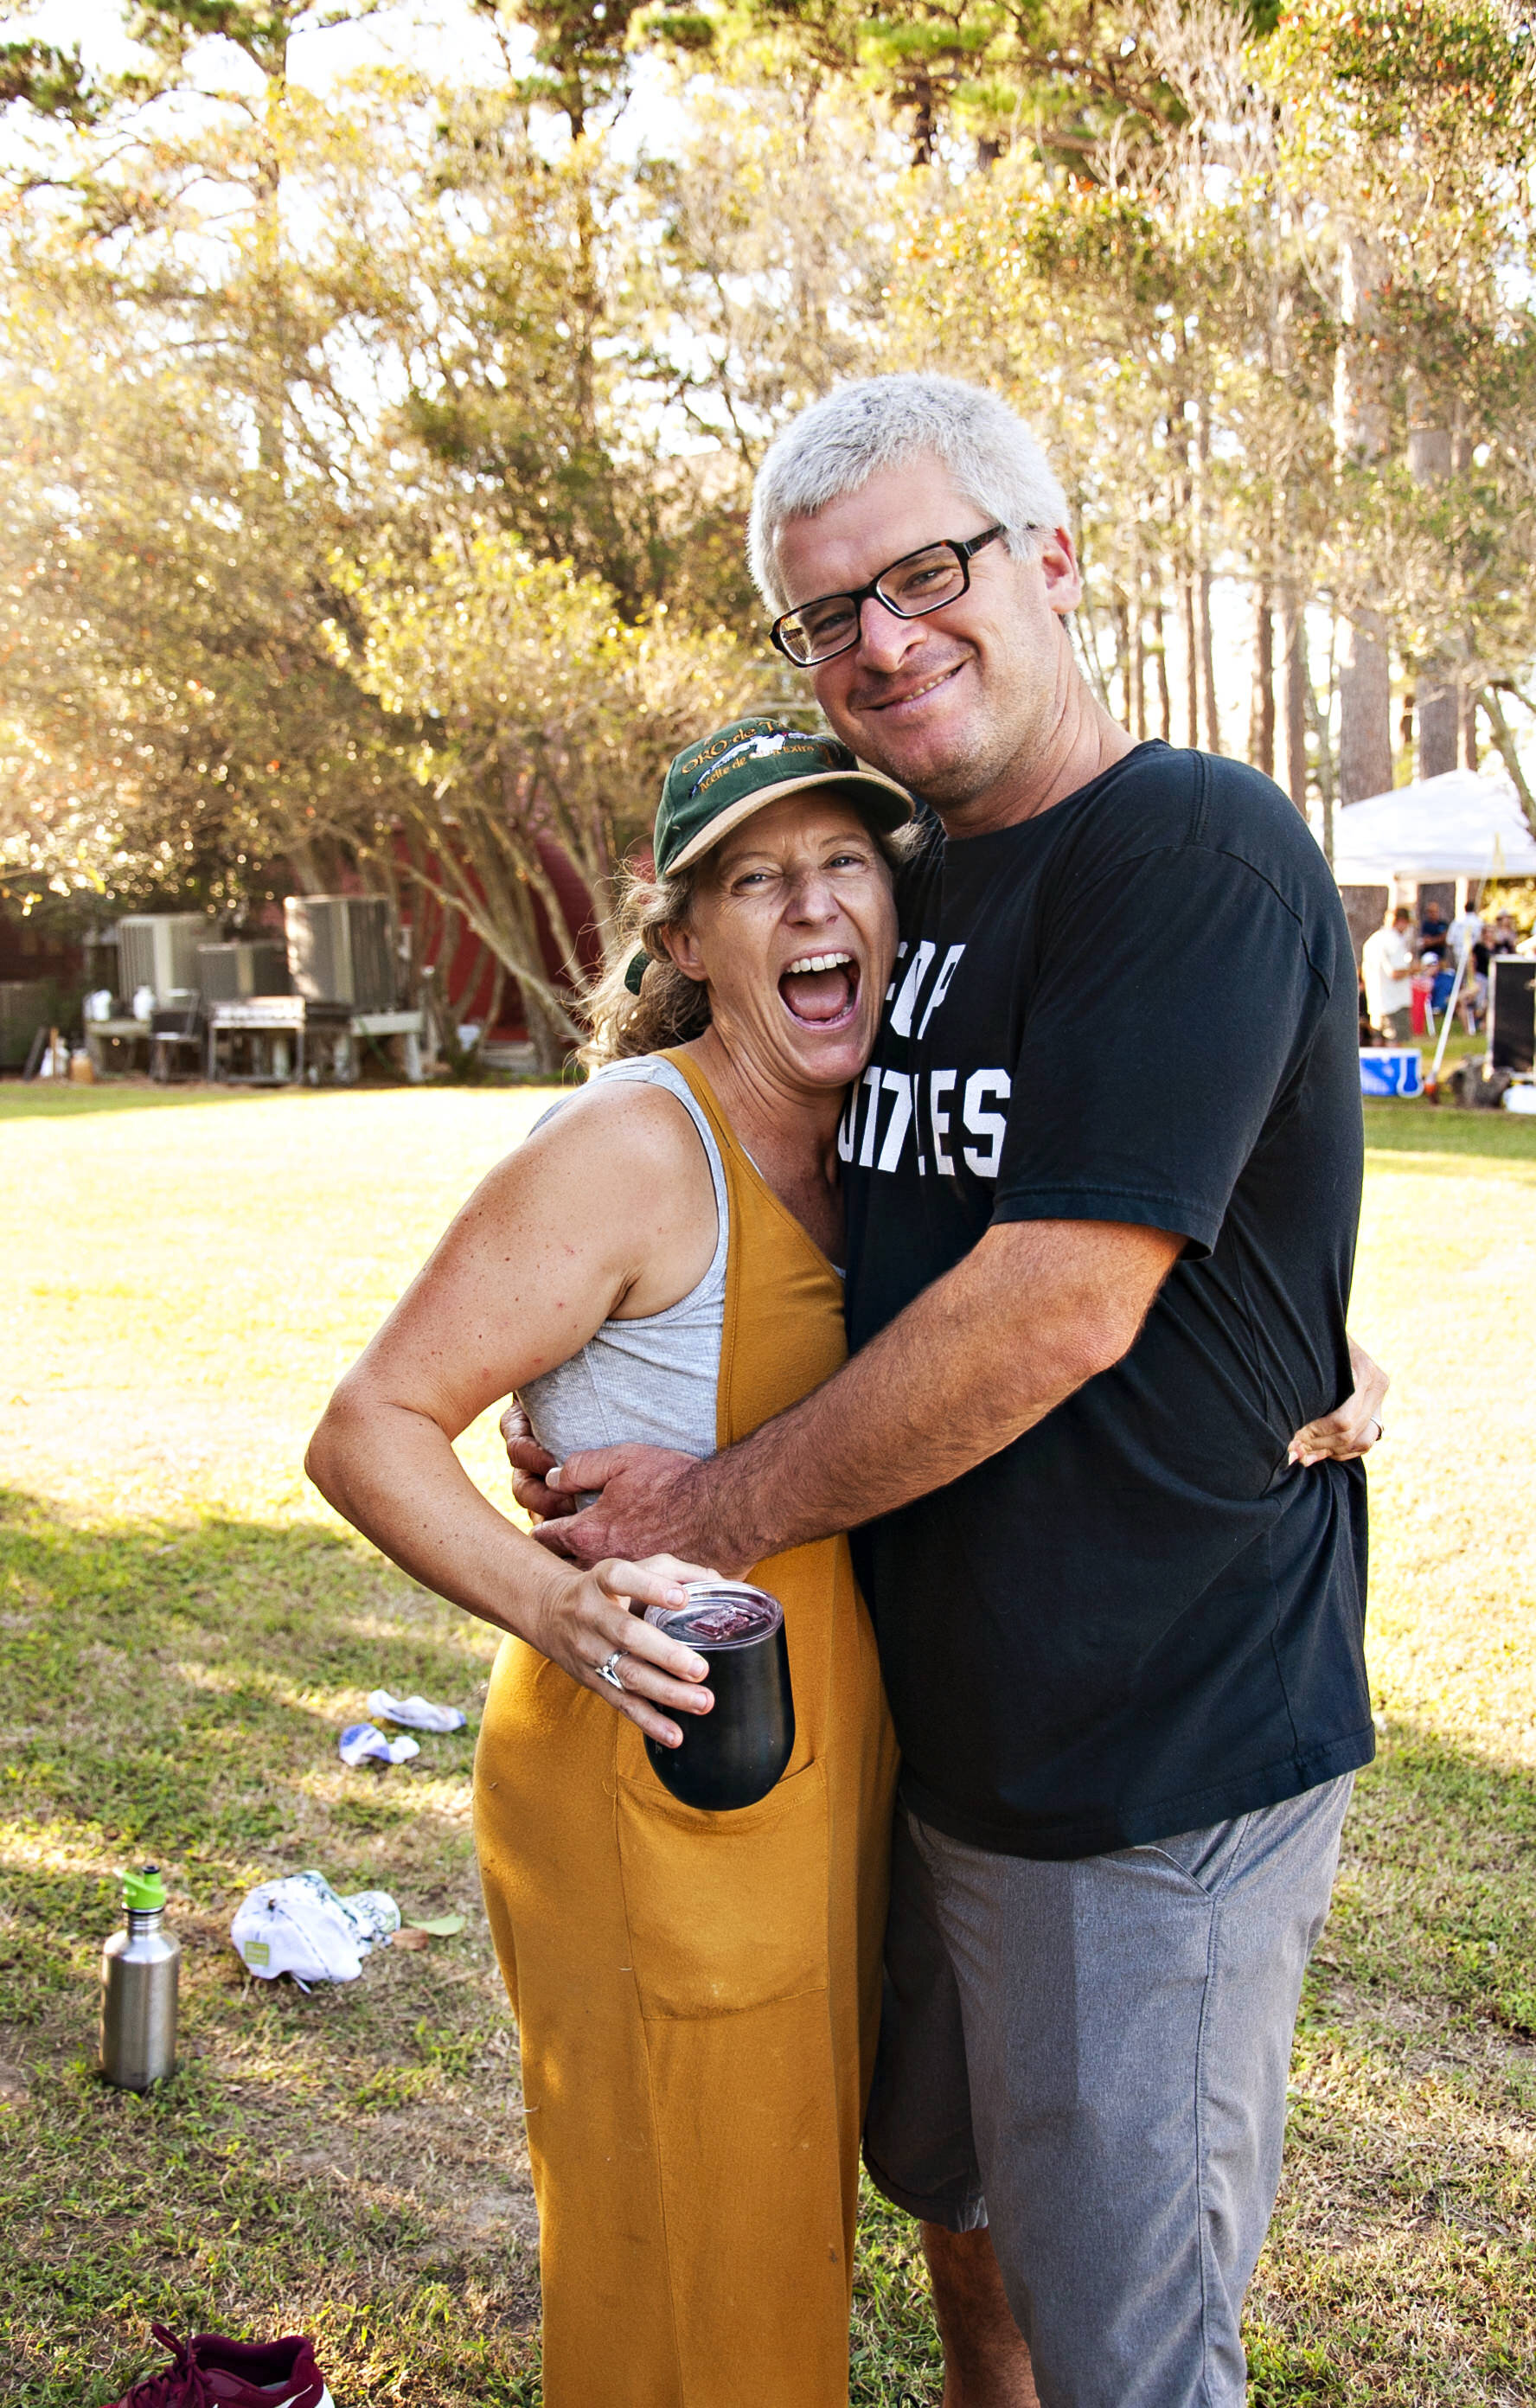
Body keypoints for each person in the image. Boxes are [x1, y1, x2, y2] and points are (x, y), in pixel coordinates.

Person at [512, 373, 1388, 2408]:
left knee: (1131, 2341)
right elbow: (849, 1210)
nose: (885, 637)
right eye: (831, 614)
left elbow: (1054, 1301)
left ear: (1055, 560)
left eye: (928, 572)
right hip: (927, 1722)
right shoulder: (909, 889)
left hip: (1141, 1752)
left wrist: (702, 1509)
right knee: (965, 2217)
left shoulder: (1191, 843)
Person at [305, 733, 914, 2408]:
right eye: (758, 877)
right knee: (684, 2277)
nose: (814, 903)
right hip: (654, 1774)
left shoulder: (890, 1130)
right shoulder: (640, 1149)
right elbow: (369, 1427)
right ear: (685, 940)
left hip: (818, 1765)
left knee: (774, 2245)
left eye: (846, 863)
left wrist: (1331, 1352)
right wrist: (558, 1606)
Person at [1361, 904, 1416, 1043]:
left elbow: (1364, 971)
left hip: (1375, 1000)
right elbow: (1395, 973)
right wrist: (1415, 969)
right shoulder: (1395, 942)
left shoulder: (1373, 940)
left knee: (1378, 1041)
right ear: (1402, 922)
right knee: (1395, 1042)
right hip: (1394, 1001)